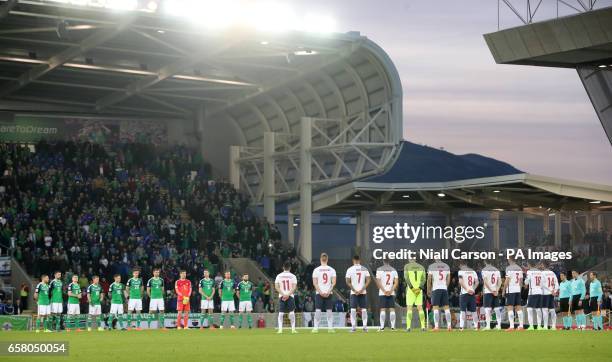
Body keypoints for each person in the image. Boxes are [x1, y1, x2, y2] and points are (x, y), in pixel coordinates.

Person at [311, 252, 336, 333]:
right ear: (327, 259)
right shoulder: (332, 269)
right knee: (329, 311)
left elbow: (315, 283)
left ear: (320, 259)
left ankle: (315, 328)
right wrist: (328, 291)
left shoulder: (316, 270)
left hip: (319, 293)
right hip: (329, 293)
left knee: (318, 310)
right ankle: (330, 328)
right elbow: (334, 283)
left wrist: (320, 292)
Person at [346, 255, 371, 333]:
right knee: (364, 310)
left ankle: (353, 327)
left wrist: (354, 290)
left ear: (353, 260)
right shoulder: (364, 268)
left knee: (353, 309)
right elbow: (368, 280)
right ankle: (365, 327)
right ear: (359, 260)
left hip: (354, 292)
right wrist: (362, 289)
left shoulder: (350, 269)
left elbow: (347, 281)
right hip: (362, 292)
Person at [427, 258, 452, 331]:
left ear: (435, 258)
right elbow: (448, 278)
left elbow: (429, 279)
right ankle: (449, 326)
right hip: (444, 288)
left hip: (436, 289)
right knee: (446, 308)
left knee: (435, 308)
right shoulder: (446, 266)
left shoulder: (432, 266)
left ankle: (437, 327)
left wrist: (429, 289)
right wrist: (446, 287)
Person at [275, 261, 298, 334]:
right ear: (290, 268)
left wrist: (283, 294)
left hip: (282, 296)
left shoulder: (279, 276)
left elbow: (276, 287)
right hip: (290, 296)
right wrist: (288, 295)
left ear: (283, 268)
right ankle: (293, 330)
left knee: (281, 313)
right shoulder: (293, 276)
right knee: (291, 313)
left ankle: (280, 330)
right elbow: (294, 287)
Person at [403, 258, 426, 331]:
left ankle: (408, 327)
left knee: (409, 308)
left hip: (410, 290)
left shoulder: (407, 266)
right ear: (415, 259)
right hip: (419, 290)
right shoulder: (421, 267)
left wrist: (412, 288)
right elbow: (424, 279)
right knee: (420, 308)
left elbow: (406, 278)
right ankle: (423, 327)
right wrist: (419, 288)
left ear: (409, 259)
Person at [375, 259, 398, 331]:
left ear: (383, 261)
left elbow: (378, 282)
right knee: (392, 309)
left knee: (382, 309)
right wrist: (391, 291)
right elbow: (396, 282)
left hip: (382, 293)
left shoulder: (379, 269)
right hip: (391, 292)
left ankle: (382, 328)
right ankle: (393, 327)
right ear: (389, 261)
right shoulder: (393, 269)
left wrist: (384, 291)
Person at [502, 258, 524, 331]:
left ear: (510, 260)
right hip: (517, 289)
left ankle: (511, 327)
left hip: (511, 289)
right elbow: (521, 281)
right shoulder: (519, 268)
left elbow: (507, 280)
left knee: (510, 307)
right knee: (518, 307)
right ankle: (521, 326)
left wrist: (504, 290)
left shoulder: (508, 268)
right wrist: (519, 289)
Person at [458, 263, 479, 331]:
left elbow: (460, 281)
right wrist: (473, 289)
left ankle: (461, 327)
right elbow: (477, 282)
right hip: (472, 293)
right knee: (474, 311)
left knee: (462, 311)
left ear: (461, 265)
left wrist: (467, 289)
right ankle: (476, 327)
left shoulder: (461, 271)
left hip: (464, 293)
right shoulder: (473, 271)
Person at [481, 262, 502, 330]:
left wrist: (490, 290)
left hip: (488, 292)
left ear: (485, 262)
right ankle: (499, 326)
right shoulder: (497, 270)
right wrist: (497, 290)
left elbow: (485, 282)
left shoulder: (484, 270)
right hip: (495, 291)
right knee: (497, 309)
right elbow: (500, 281)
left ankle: (488, 326)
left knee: (487, 309)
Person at [524, 262, 543, 330]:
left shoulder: (529, 272)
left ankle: (531, 326)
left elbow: (526, 282)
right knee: (538, 309)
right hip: (540, 292)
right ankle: (539, 326)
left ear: (529, 265)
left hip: (532, 292)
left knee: (529, 309)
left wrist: (525, 280)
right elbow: (543, 282)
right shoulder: (540, 272)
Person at [540, 263, 558, 330]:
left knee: (545, 310)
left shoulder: (542, 273)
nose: (541, 266)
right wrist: (554, 291)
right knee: (552, 310)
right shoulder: (552, 273)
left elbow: (542, 284)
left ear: (544, 265)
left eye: (542, 265)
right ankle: (553, 326)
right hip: (552, 294)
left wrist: (550, 291)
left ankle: (545, 326)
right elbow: (556, 283)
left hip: (545, 294)